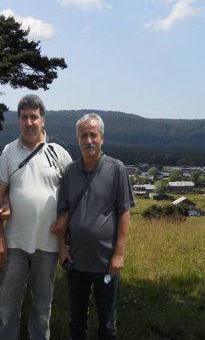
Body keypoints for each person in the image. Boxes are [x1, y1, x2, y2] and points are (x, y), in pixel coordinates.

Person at [0, 94, 72, 340]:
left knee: (42, 309)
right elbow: (0, 195)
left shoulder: (58, 153)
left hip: (47, 244)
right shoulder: (8, 151)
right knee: (7, 308)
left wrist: (65, 222)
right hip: (14, 243)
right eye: (24, 117)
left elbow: (73, 195)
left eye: (34, 117)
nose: (29, 123)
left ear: (43, 120)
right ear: (18, 121)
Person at [52, 113, 134, 340]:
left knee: (107, 325)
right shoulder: (70, 172)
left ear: (102, 139)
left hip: (106, 262)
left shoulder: (116, 168)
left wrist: (118, 254)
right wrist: (62, 249)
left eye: (93, 135)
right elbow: (62, 213)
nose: (89, 140)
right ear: (77, 139)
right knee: (77, 322)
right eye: (84, 136)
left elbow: (124, 213)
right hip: (76, 262)